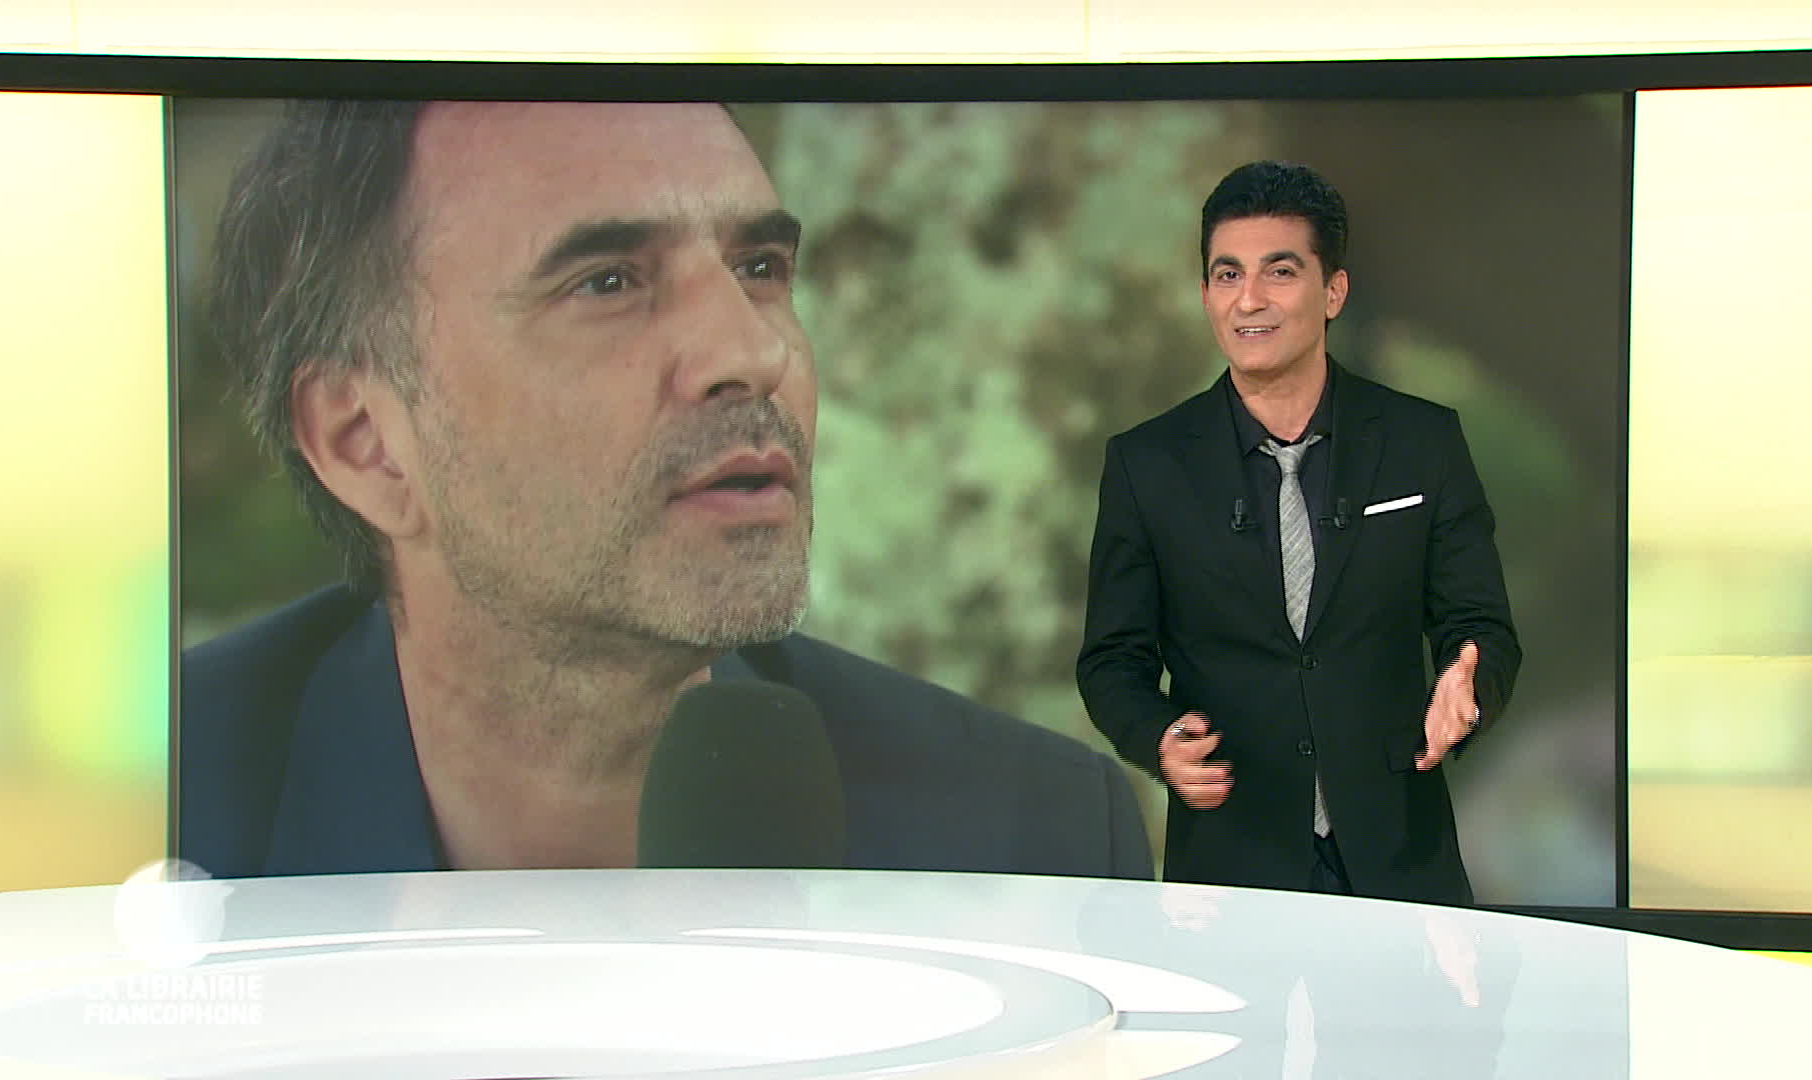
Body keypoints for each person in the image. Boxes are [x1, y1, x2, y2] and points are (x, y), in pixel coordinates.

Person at [180, 100, 1151, 882]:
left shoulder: (1021, 838)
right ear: (366, 445)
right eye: (607, 283)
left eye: (759, 269)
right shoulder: (152, 811)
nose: (754, 352)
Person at [1075, 160, 1519, 905]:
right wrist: (1159, 740)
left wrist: (1467, 683)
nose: (1249, 299)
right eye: (1227, 274)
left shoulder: (1423, 442)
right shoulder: (1147, 464)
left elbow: (1481, 628)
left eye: (1279, 272)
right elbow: (1112, 660)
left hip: (1400, 859)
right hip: (1231, 864)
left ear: (1333, 291)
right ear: (1206, 294)